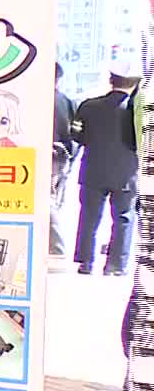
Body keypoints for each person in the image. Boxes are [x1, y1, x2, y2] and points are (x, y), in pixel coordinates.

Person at [73, 66, 139, 276]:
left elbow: (76, 135)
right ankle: (116, 266)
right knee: (124, 218)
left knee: (89, 217)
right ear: (136, 84)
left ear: (111, 80)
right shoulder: (138, 111)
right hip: (126, 173)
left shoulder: (88, 106)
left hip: (93, 170)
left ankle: (86, 262)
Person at [50, 63, 76, 261]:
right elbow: (74, 135)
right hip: (61, 157)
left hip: (46, 157)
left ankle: (57, 246)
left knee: (47, 202)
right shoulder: (67, 101)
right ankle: (55, 245)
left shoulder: (38, 98)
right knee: (53, 200)